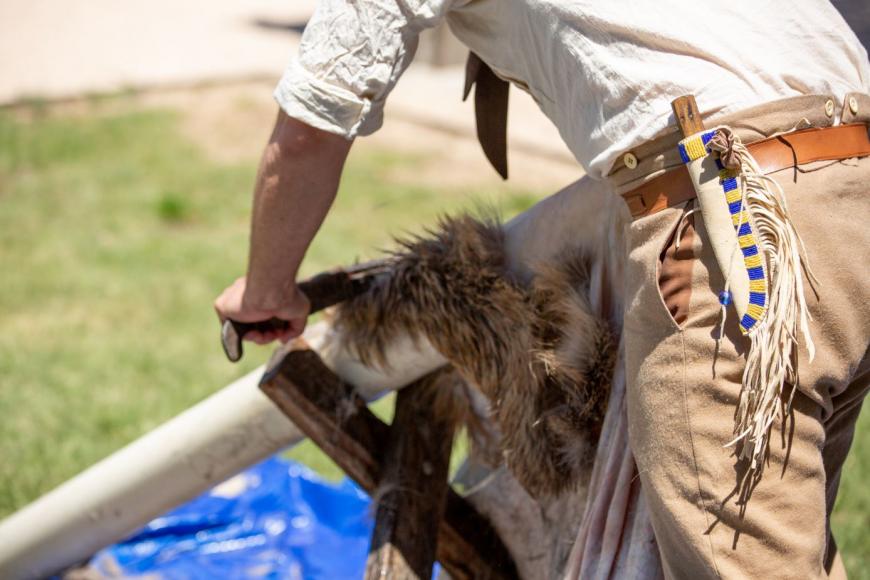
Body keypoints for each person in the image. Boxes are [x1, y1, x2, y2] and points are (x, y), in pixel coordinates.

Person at [214, 2, 870, 577]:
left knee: (741, 554)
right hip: (848, 188)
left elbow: (311, 126)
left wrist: (265, 287)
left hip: (741, 210)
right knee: (784, 542)